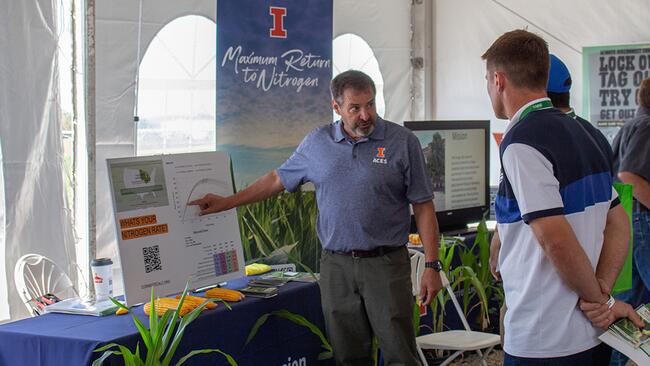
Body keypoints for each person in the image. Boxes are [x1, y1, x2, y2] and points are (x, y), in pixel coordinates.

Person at [189, 70, 442, 365]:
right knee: (348, 356)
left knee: (400, 354)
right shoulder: (317, 142)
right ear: (336, 107)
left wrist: (432, 265)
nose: (365, 115)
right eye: (355, 108)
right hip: (336, 267)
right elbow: (276, 179)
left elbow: (423, 206)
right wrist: (227, 202)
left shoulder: (403, 142)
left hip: (386, 266)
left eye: (370, 104)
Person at [483, 29, 643, 365]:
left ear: (499, 80)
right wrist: (602, 296)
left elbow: (554, 239)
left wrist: (600, 300)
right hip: (591, 334)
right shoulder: (589, 134)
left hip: (543, 339)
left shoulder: (522, 141)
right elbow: (619, 221)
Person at [608, 76, 650, 366]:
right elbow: (630, 175)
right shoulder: (647, 127)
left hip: (627, 219)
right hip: (641, 220)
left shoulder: (634, 125)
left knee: (630, 310)